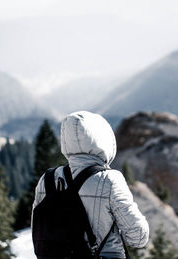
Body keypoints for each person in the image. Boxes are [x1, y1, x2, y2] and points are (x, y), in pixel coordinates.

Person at [32, 111, 149, 259]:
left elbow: (37, 234)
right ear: (103, 139)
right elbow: (138, 237)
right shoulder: (110, 179)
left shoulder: (47, 179)